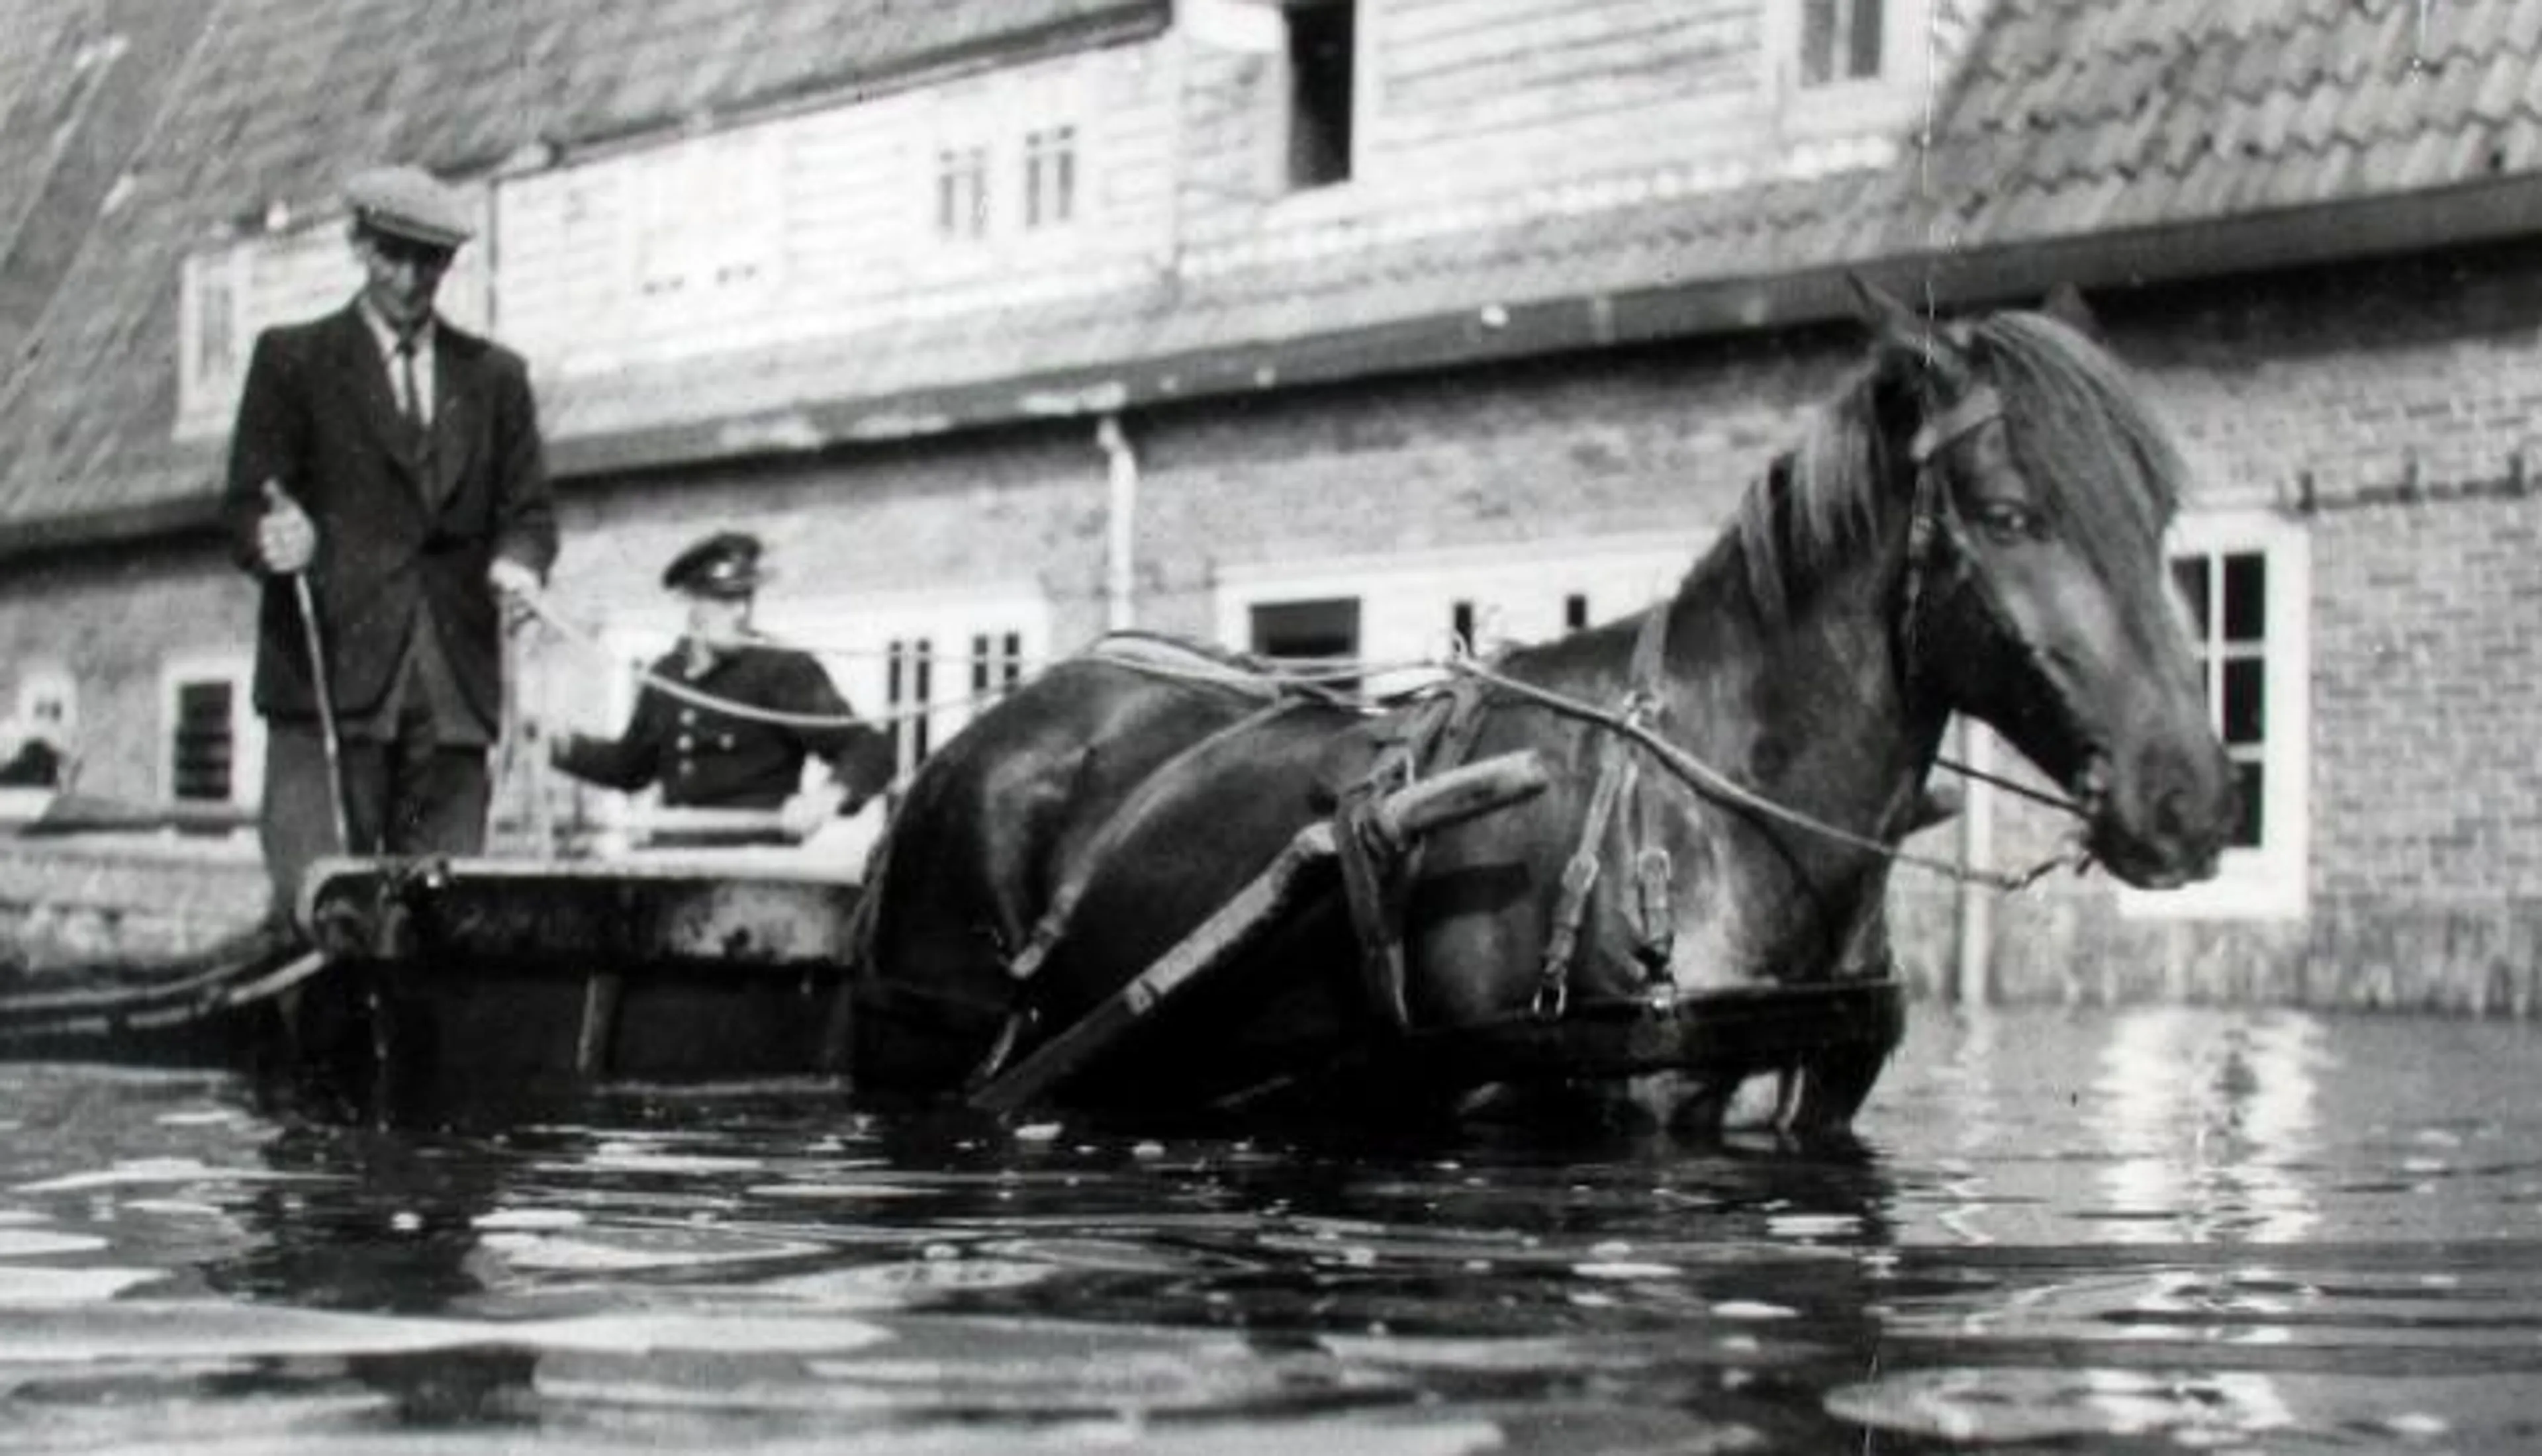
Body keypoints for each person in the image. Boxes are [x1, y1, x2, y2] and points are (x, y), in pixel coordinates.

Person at [222, 163, 558, 930]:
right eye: (391, 255)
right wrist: (276, 536)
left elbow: (531, 512)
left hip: (453, 694)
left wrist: (520, 560)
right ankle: (309, 1052)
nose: (409, 279)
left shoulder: (496, 378)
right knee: (323, 915)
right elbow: (245, 506)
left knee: (446, 924)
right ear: (358, 245)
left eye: (429, 261)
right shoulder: (293, 361)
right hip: (327, 687)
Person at [547, 531, 893, 847]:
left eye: (747, 598)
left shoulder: (781, 669)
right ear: (693, 602)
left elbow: (869, 748)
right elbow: (631, 767)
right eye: (726, 600)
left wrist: (826, 799)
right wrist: (559, 747)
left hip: (753, 868)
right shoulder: (666, 676)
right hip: (674, 861)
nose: (741, 612)